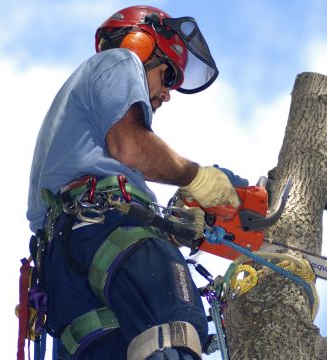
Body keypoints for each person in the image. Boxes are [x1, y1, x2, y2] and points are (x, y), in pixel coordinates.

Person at [25, 5, 244, 360]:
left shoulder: (67, 132)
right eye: (168, 74)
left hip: (63, 271)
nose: (168, 93)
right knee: (174, 332)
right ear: (141, 44)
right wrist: (197, 177)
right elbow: (131, 146)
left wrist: (172, 222)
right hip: (106, 230)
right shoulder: (119, 62)